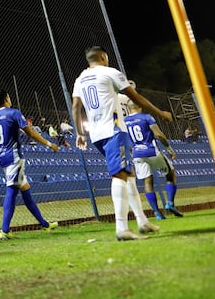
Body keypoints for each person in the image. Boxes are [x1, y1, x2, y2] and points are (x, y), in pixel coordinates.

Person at [72, 46, 172, 241]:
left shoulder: (80, 79)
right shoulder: (110, 72)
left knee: (129, 175)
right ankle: (121, 228)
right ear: (103, 57)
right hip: (115, 129)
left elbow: (76, 106)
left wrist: (79, 133)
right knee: (120, 176)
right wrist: (160, 113)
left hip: (97, 134)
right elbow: (136, 97)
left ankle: (142, 221)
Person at [0, 89, 59, 240]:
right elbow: (31, 132)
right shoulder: (13, 113)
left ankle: (45, 225)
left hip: (2, 158)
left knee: (25, 189)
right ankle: (4, 230)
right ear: (7, 99)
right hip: (14, 157)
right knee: (12, 190)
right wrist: (49, 144)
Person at [125, 100, 184, 219]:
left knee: (147, 182)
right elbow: (159, 134)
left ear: (128, 109)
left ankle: (157, 213)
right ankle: (170, 204)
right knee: (170, 175)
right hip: (151, 151)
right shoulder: (146, 117)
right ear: (140, 107)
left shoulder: (124, 122)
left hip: (137, 154)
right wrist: (169, 149)